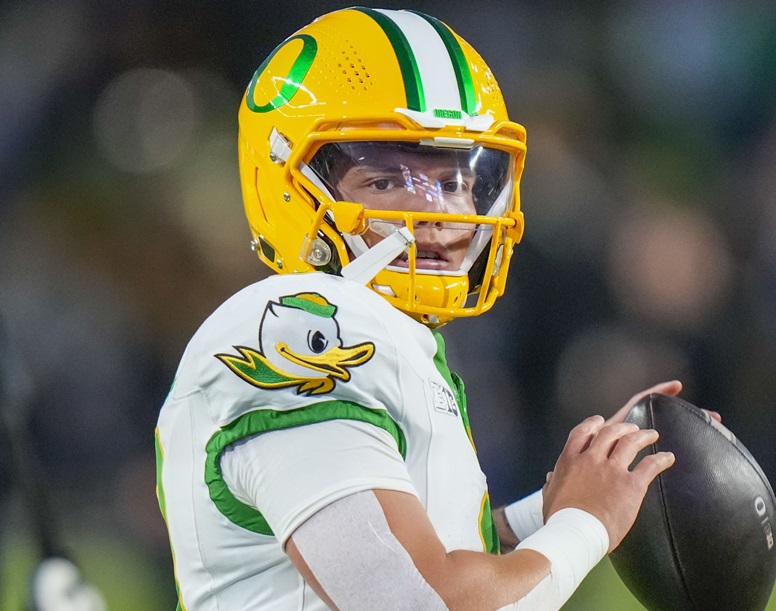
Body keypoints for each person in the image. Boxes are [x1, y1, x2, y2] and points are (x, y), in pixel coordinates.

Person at [155, 8, 690, 610]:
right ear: (286, 186)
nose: (439, 211)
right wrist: (586, 523)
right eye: (387, 181)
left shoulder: (395, 339)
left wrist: (572, 495)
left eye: (456, 179)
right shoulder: (295, 321)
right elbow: (417, 601)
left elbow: (439, 552)